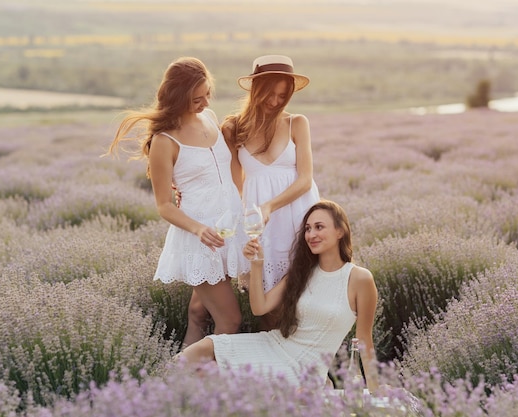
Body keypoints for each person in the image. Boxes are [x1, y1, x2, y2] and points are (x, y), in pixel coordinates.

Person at [106, 57, 248, 347]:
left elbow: (222, 172)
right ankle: (206, 383)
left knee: (198, 313)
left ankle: (178, 379)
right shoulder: (165, 141)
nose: (206, 103)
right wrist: (198, 229)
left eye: (208, 94)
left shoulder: (209, 119)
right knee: (230, 320)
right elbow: (164, 205)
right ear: (179, 96)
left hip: (229, 230)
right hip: (202, 240)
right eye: (197, 98)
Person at [178, 200, 379, 392]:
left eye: (319, 227)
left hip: (302, 369)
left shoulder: (359, 279)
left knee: (217, 384)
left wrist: (375, 391)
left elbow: (364, 339)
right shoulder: (301, 272)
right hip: (273, 344)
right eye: (308, 229)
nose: (311, 234)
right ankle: (151, 395)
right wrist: (257, 265)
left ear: (340, 231)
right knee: (204, 348)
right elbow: (259, 308)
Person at [222, 55, 320, 329]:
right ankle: (274, 364)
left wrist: (270, 206)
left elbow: (305, 179)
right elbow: (231, 183)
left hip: (298, 214)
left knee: (305, 299)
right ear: (256, 90)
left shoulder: (297, 123)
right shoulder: (233, 128)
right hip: (258, 224)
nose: (276, 101)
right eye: (270, 94)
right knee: (266, 307)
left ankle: (310, 365)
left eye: (282, 95)